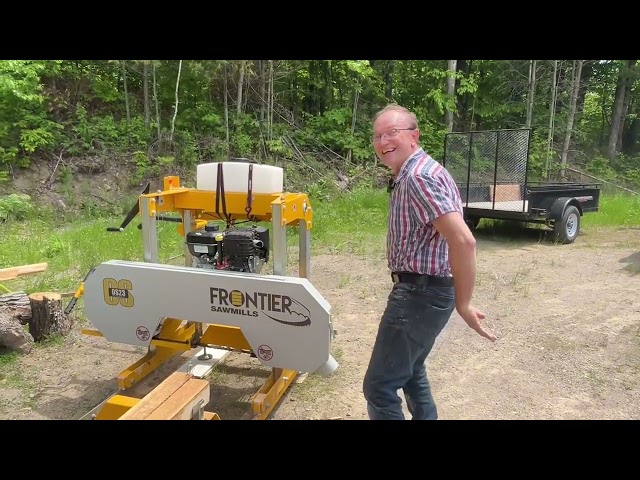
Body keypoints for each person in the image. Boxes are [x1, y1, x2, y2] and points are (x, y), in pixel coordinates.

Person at [362, 103, 496, 420]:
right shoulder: (420, 171)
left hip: (419, 295)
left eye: (392, 133)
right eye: (377, 136)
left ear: (414, 135)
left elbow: (463, 240)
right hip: (427, 292)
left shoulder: (419, 177)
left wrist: (464, 304)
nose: (383, 142)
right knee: (411, 371)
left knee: (379, 386)